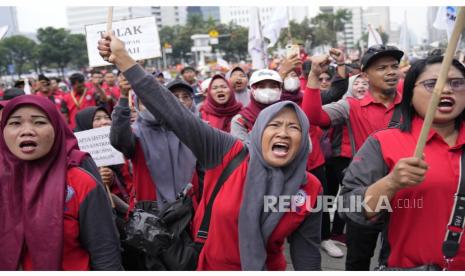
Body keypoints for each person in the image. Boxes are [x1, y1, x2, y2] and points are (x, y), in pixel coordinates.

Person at [99, 31, 322, 271]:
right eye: (274, 125)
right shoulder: (228, 153)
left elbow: (307, 256)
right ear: (258, 133)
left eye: (294, 127)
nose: (283, 133)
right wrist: (123, 59)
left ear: (303, 139)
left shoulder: (310, 188)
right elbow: (174, 113)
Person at [341, 55, 465, 270]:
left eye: (457, 83)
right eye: (432, 83)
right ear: (409, 93)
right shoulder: (383, 142)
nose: (446, 90)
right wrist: (391, 183)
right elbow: (348, 207)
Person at [302, 44, 404, 270]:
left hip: (406, 192)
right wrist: (314, 76)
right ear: (365, 75)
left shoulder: (412, 104)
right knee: (358, 259)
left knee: (399, 258)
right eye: (381, 67)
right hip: (365, 192)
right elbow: (312, 116)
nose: (390, 72)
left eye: (394, 66)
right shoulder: (351, 106)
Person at [0, 95, 121, 270]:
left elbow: (105, 252)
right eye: (15, 123)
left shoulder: (81, 183)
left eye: (39, 122)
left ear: (57, 129)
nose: (26, 131)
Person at [110, 73, 199, 207]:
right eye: (144, 103)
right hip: (152, 216)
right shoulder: (135, 135)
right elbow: (118, 139)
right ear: (136, 107)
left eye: (155, 102)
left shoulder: (185, 131)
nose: (151, 107)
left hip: (188, 209)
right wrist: (123, 98)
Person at [74, 106, 133, 203]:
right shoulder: (77, 155)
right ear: (85, 123)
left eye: (107, 117)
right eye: (97, 119)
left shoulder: (120, 143)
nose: (105, 122)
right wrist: (97, 178)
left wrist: (112, 177)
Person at [230, 69, 283, 142]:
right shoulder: (241, 121)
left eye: (273, 86)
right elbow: (242, 150)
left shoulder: (288, 115)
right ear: (252, 90)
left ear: (280, 90)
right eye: (261, 87)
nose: (267, 90)